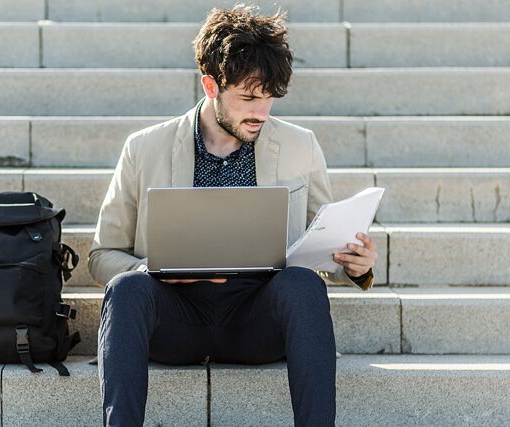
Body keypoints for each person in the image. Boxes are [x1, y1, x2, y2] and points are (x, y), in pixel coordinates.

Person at [88, 5, 377, 426]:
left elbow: (324, 245)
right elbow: (102, 256)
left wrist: (354, 265)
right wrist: (152, 269)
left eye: (269, 97)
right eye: (248, 97)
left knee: (304, 285)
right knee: (126, 289)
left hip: (256, 319)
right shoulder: (144, 148)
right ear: (211, 85)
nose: (262, 112)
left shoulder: (301, 146)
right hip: (176, 317)